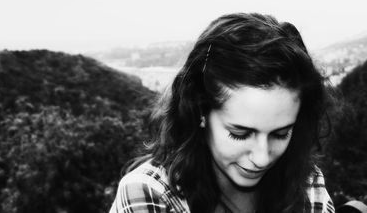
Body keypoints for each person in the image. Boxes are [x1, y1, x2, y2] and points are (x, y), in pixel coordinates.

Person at [109, 13, 335, 213]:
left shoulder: (306, 184)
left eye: (280, 134)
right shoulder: (149, 192)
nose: (262, 158)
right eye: (240, 134)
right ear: (200, 111)